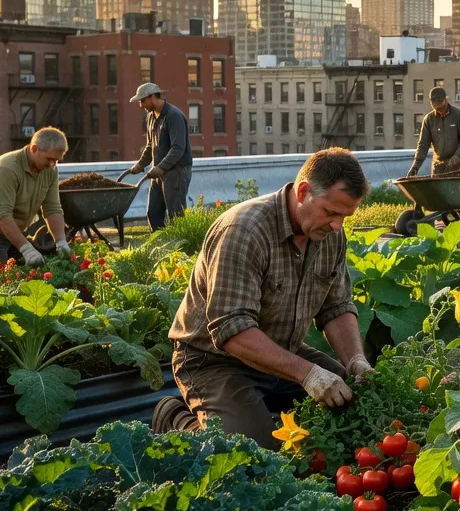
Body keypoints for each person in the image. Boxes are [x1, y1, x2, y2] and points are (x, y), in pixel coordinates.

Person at [152, 148, 375, 450]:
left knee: (357, 406)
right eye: (331, 212)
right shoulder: (244, 230)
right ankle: (179, 420)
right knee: (256, 458)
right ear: (304, 192)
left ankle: (248, 415)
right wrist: (306, 374)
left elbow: (336, 307)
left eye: (345, 216)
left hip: (282, 352)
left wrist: (355, 360)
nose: (338, 225)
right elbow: (231, 329)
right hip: (215, 361)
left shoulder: (330, 234)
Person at [0, 127, 72, 272]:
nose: (53, 164)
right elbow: (2, 215)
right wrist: (26, 249)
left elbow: (52, 209)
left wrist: (61, 242)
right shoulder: (8, 168)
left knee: (27, 279)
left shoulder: (50, 170)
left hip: (14, 231)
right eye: (49, 159)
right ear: (34, 149)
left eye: (57, 161)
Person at [126, 82, 193, 231]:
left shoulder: (174, 116)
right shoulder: (151, 117)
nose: (140, 105)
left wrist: (161, 167)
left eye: (142, 100)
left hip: (177, 172)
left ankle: (181, 249)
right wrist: (141, 164)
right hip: (158, 173)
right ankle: (160, 246)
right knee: (153, 213)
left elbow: (178, 148)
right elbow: (151, 146)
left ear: (152, 97)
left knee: (176, 215)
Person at [407, 86, 460, 176]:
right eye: (437, 110)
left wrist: (457, 156)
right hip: (439, 168)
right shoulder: (429, 119)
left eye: (441, 108)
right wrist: (415, 166)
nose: (440, 111)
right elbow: (423, 145)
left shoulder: (459, 116)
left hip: (459, 167)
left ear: (445, 100)